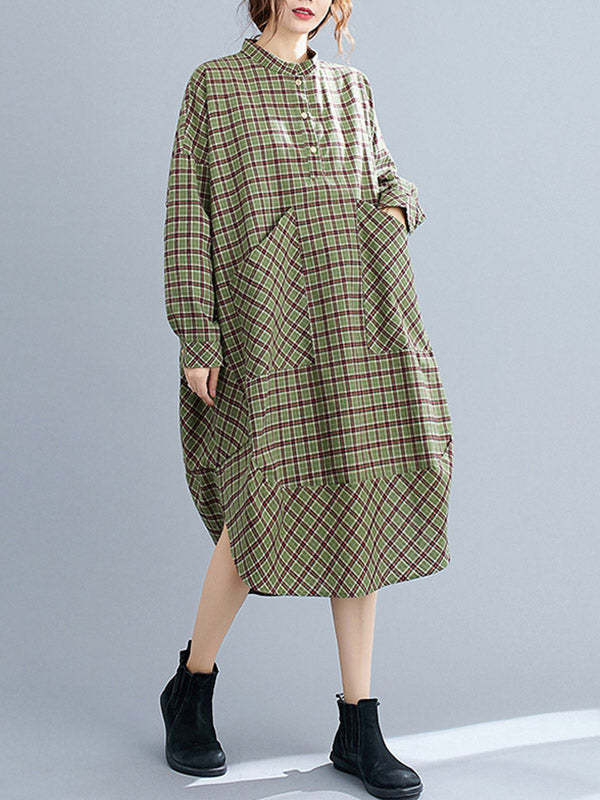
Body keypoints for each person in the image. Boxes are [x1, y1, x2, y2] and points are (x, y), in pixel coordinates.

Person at [160, 2, 453, 797]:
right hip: (266, 322)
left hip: (357, 314)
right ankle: (192, 686)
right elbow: (189, 211)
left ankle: (359, 724)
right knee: (257, 504)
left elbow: (387, 174)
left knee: (359, 501)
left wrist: (395, 208)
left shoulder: (351, 88)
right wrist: (197, 331)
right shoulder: (215, 86)